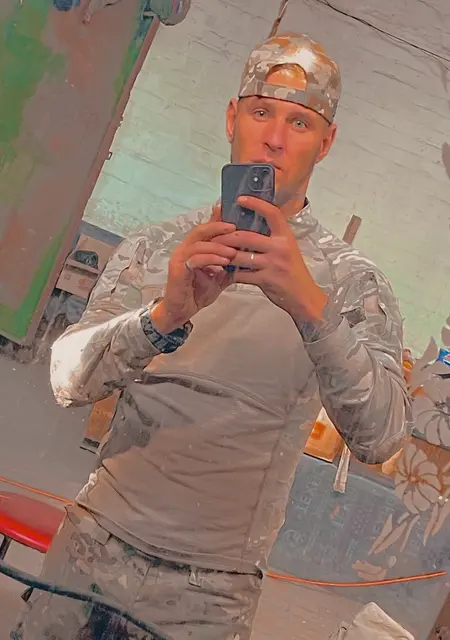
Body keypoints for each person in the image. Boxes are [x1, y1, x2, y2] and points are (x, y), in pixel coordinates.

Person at [12, 33, 411, 640]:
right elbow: (68, 381)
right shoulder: (157, 246)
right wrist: (163, 316)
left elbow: (380, 437)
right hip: (89, 552)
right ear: (231, 119)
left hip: (210, 594)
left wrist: (310, 306)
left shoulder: (351, 283)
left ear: (326, 143)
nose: (274, 138)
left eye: (299, 123)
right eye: (261, 112)